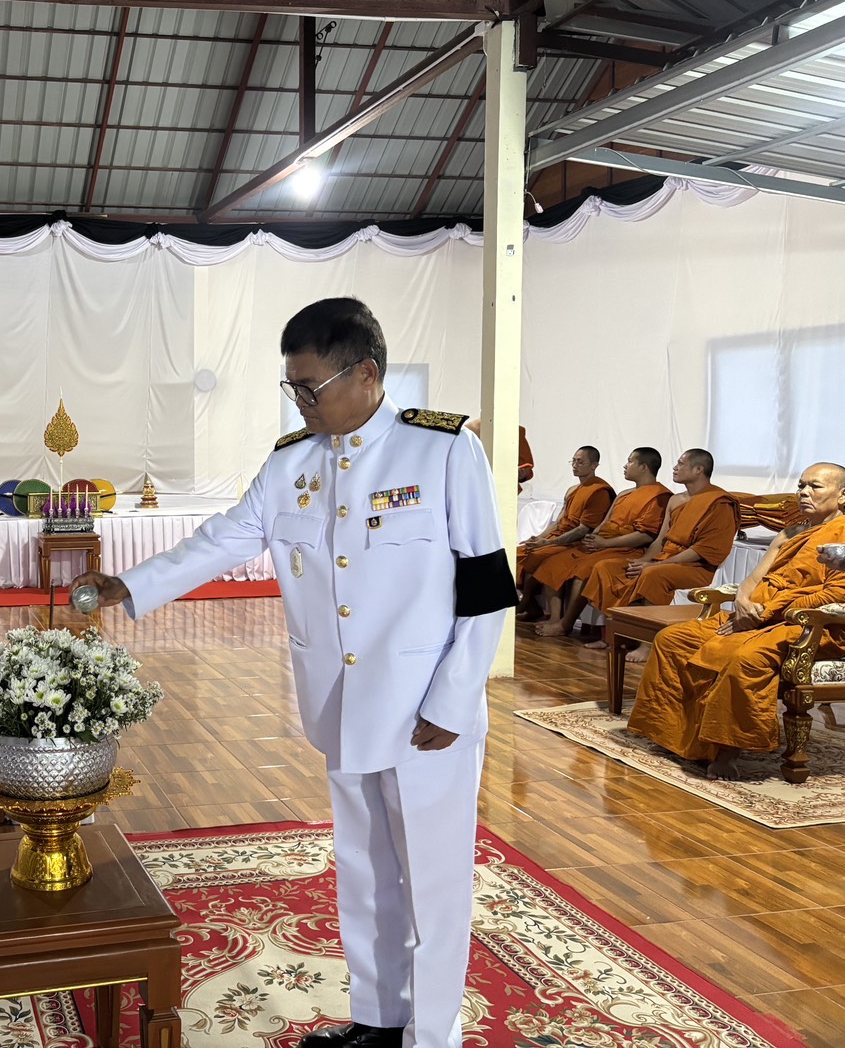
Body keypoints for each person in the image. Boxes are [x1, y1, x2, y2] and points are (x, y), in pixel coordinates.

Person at [71, 297, 515, 1048]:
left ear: (366, 373)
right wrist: (130, 585)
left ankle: (431, 1037)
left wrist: (454, 697)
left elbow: (485, 587)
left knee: (435, 884)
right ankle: (379, 1022)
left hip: (425, 712)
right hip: (342, 705)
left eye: (311, 387)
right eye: (293, 387)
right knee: (364, 870)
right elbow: (224, 538)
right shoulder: (292, 463)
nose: (301, 401)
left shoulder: (441, 451)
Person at [627, 463, 845, 780]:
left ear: (842, 495)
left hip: (808, 626)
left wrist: (764, 613)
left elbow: (833, 596)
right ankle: (679, 737)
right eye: (801, 485)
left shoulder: (841, 539)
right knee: (673, 640)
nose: (803, 493)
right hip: (754, 615)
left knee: (741, 656)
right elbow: (752, 580)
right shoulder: (790, 532)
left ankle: (726, 750)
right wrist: (743, 603)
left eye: (815, 486)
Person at [580, 448, 739, 662]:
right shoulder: (675, 500)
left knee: (652, 575)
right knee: (607, 567)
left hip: (694, 566)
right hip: (664, 559)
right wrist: (642, 561)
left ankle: (647, 645)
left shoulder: (718, 503)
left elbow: (703, 550)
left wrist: (653, 566)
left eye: (681, 464)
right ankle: (615, 635)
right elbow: (660, 541)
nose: (674, 468)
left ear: (699, 469)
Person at [530, 448, 671, 637]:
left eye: (630, 461)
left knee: (582, 573)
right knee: (553, 563)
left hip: (625, 548)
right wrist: (593, 538)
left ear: (644, 467)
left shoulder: (660, 496)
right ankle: (554, 617)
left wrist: (604, 543)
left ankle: (566, 624)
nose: (625, 465)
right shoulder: (624, 494)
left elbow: (646, 535)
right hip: (601, 543)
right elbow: (605, 522)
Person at [513, 446, 614, 617]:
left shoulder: (599, 491)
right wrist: (538, 538)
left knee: (536, 556)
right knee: (518, 554)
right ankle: (531, 607)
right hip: (558, 538)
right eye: (573, 461)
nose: (575, 465)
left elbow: (583, 529)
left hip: (575, 543)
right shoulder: (572, 490)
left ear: (594, 465)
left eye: (580, 462)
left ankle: (527, 604)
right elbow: (559, 522)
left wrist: (548, 543)